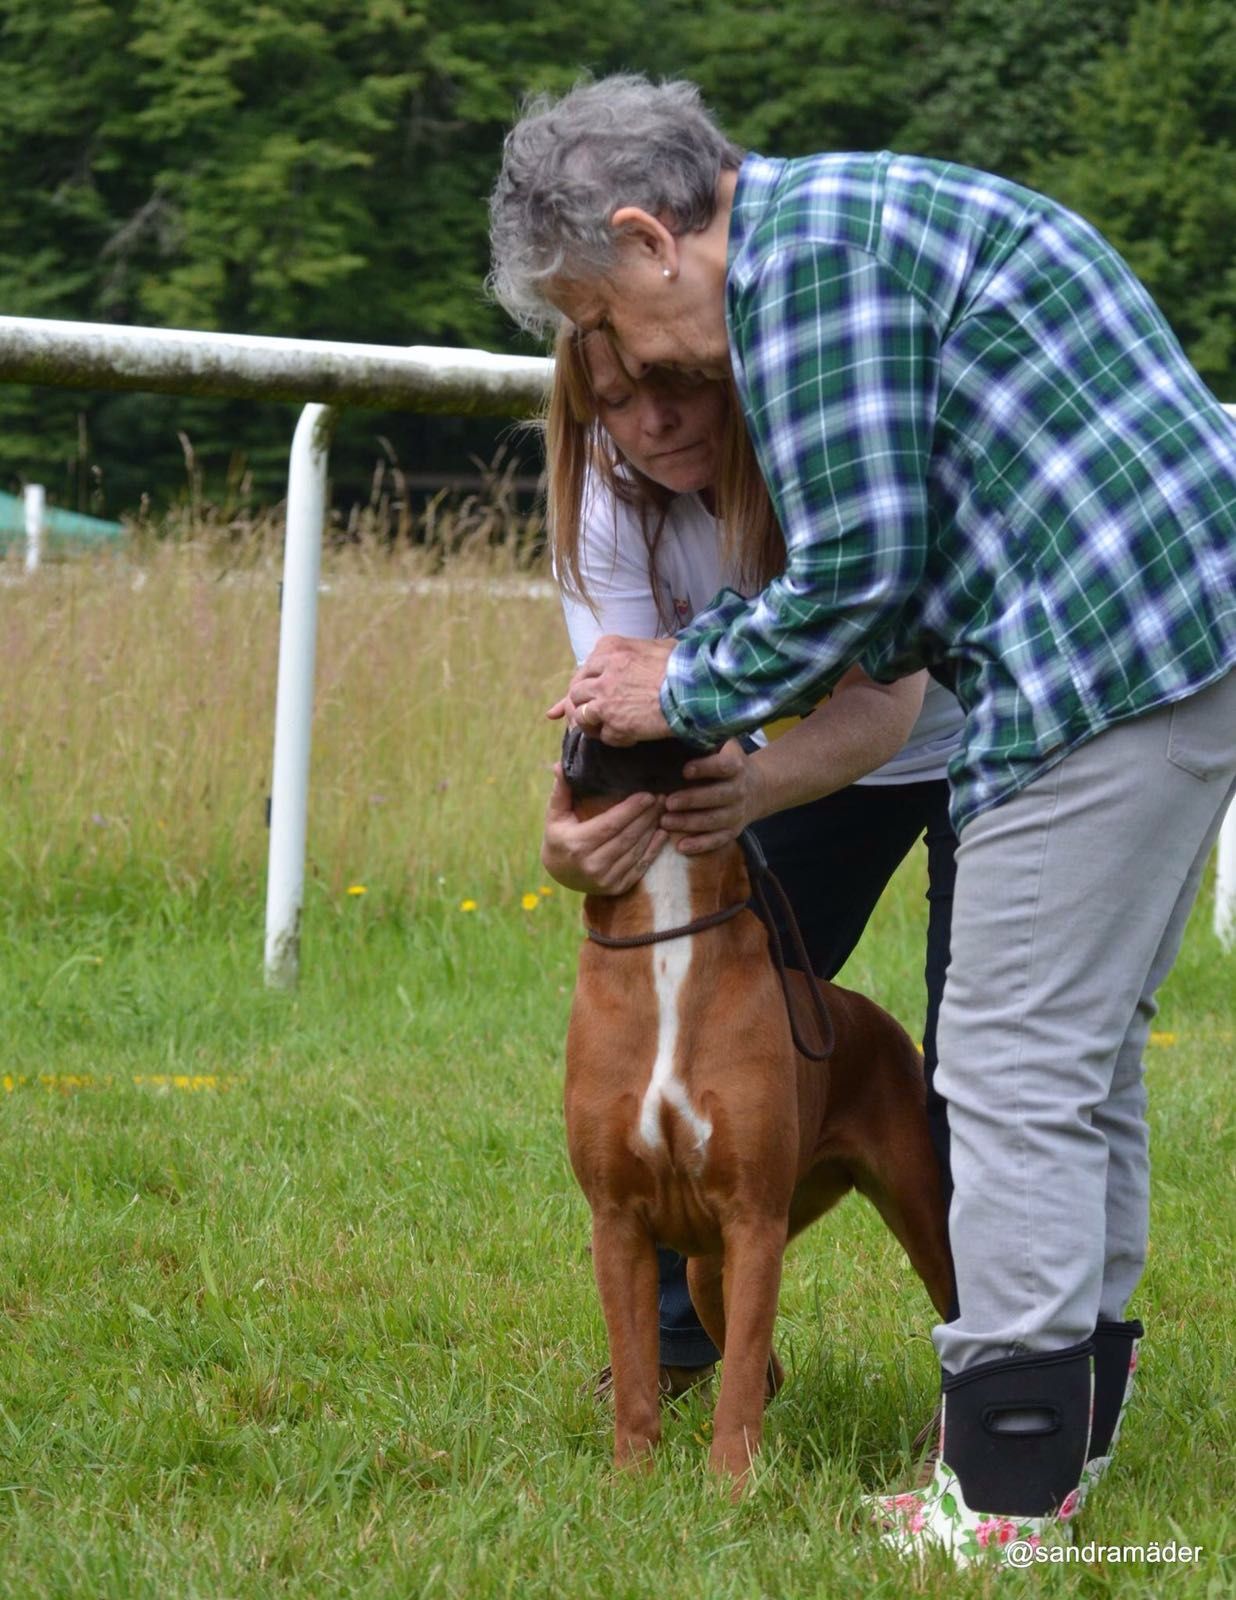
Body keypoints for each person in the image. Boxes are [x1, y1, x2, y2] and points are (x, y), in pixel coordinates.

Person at [491, 76, 1236, 1559]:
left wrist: (675, 682)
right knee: (1071, 1060)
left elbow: (860, 571)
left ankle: (1010, 1496)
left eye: (607, 317)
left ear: (649, 241)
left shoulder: (801, 272)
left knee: (1011, 1056)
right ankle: (1068, 1423)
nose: (621, 357)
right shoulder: (847, 217)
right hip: (1170, 630)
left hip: (1099, 653)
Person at [541, 323, 962, 1395]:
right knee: (707, 1022)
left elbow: (887, 696)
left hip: (964, 725)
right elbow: (637, 722)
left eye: (673, 384)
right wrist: (574, 847)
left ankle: (1003, 1373)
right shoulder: (604, 499)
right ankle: (691, 1347)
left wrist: (758, 785)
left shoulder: (809, 452)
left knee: (983, 1059)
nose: (653, 420)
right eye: (615, 402)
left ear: (725, 370)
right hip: (770, 753)